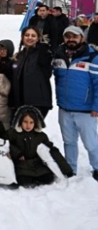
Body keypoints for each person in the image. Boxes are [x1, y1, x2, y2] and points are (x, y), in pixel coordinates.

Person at [53, 26, 98, 180]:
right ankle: (70, 168)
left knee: (91, 143)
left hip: (86, 110)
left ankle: (97, 166)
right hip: (65, 108)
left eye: (75, 36)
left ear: (82, 38)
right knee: (69, 141)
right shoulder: (58, 56)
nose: (71, 39)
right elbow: (58, 79)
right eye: (67, 36)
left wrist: (96, 106)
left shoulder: (92, 57)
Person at [8, 106, 73, 186]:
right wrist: (17, 153)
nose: (28, 125)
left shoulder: (41, 136)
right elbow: (5, 143)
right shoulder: (13, 134)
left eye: (31, 122)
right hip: (22, 165)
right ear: (20, 121)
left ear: (35, 123)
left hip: (38, 164)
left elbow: (53, 151)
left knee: (48, 178)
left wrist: (67, 170)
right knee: (23, 181)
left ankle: (36, 178)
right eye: (25, 122)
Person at [11, 26, 53, 118]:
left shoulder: (42, 53)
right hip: (20, 101)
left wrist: (44, 47)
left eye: (33, 36)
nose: (30, 38)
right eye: (27, 35)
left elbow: (47, 72)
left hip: (37, 101)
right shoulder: (20, 56)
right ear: (22, 37)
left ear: (38, 38)